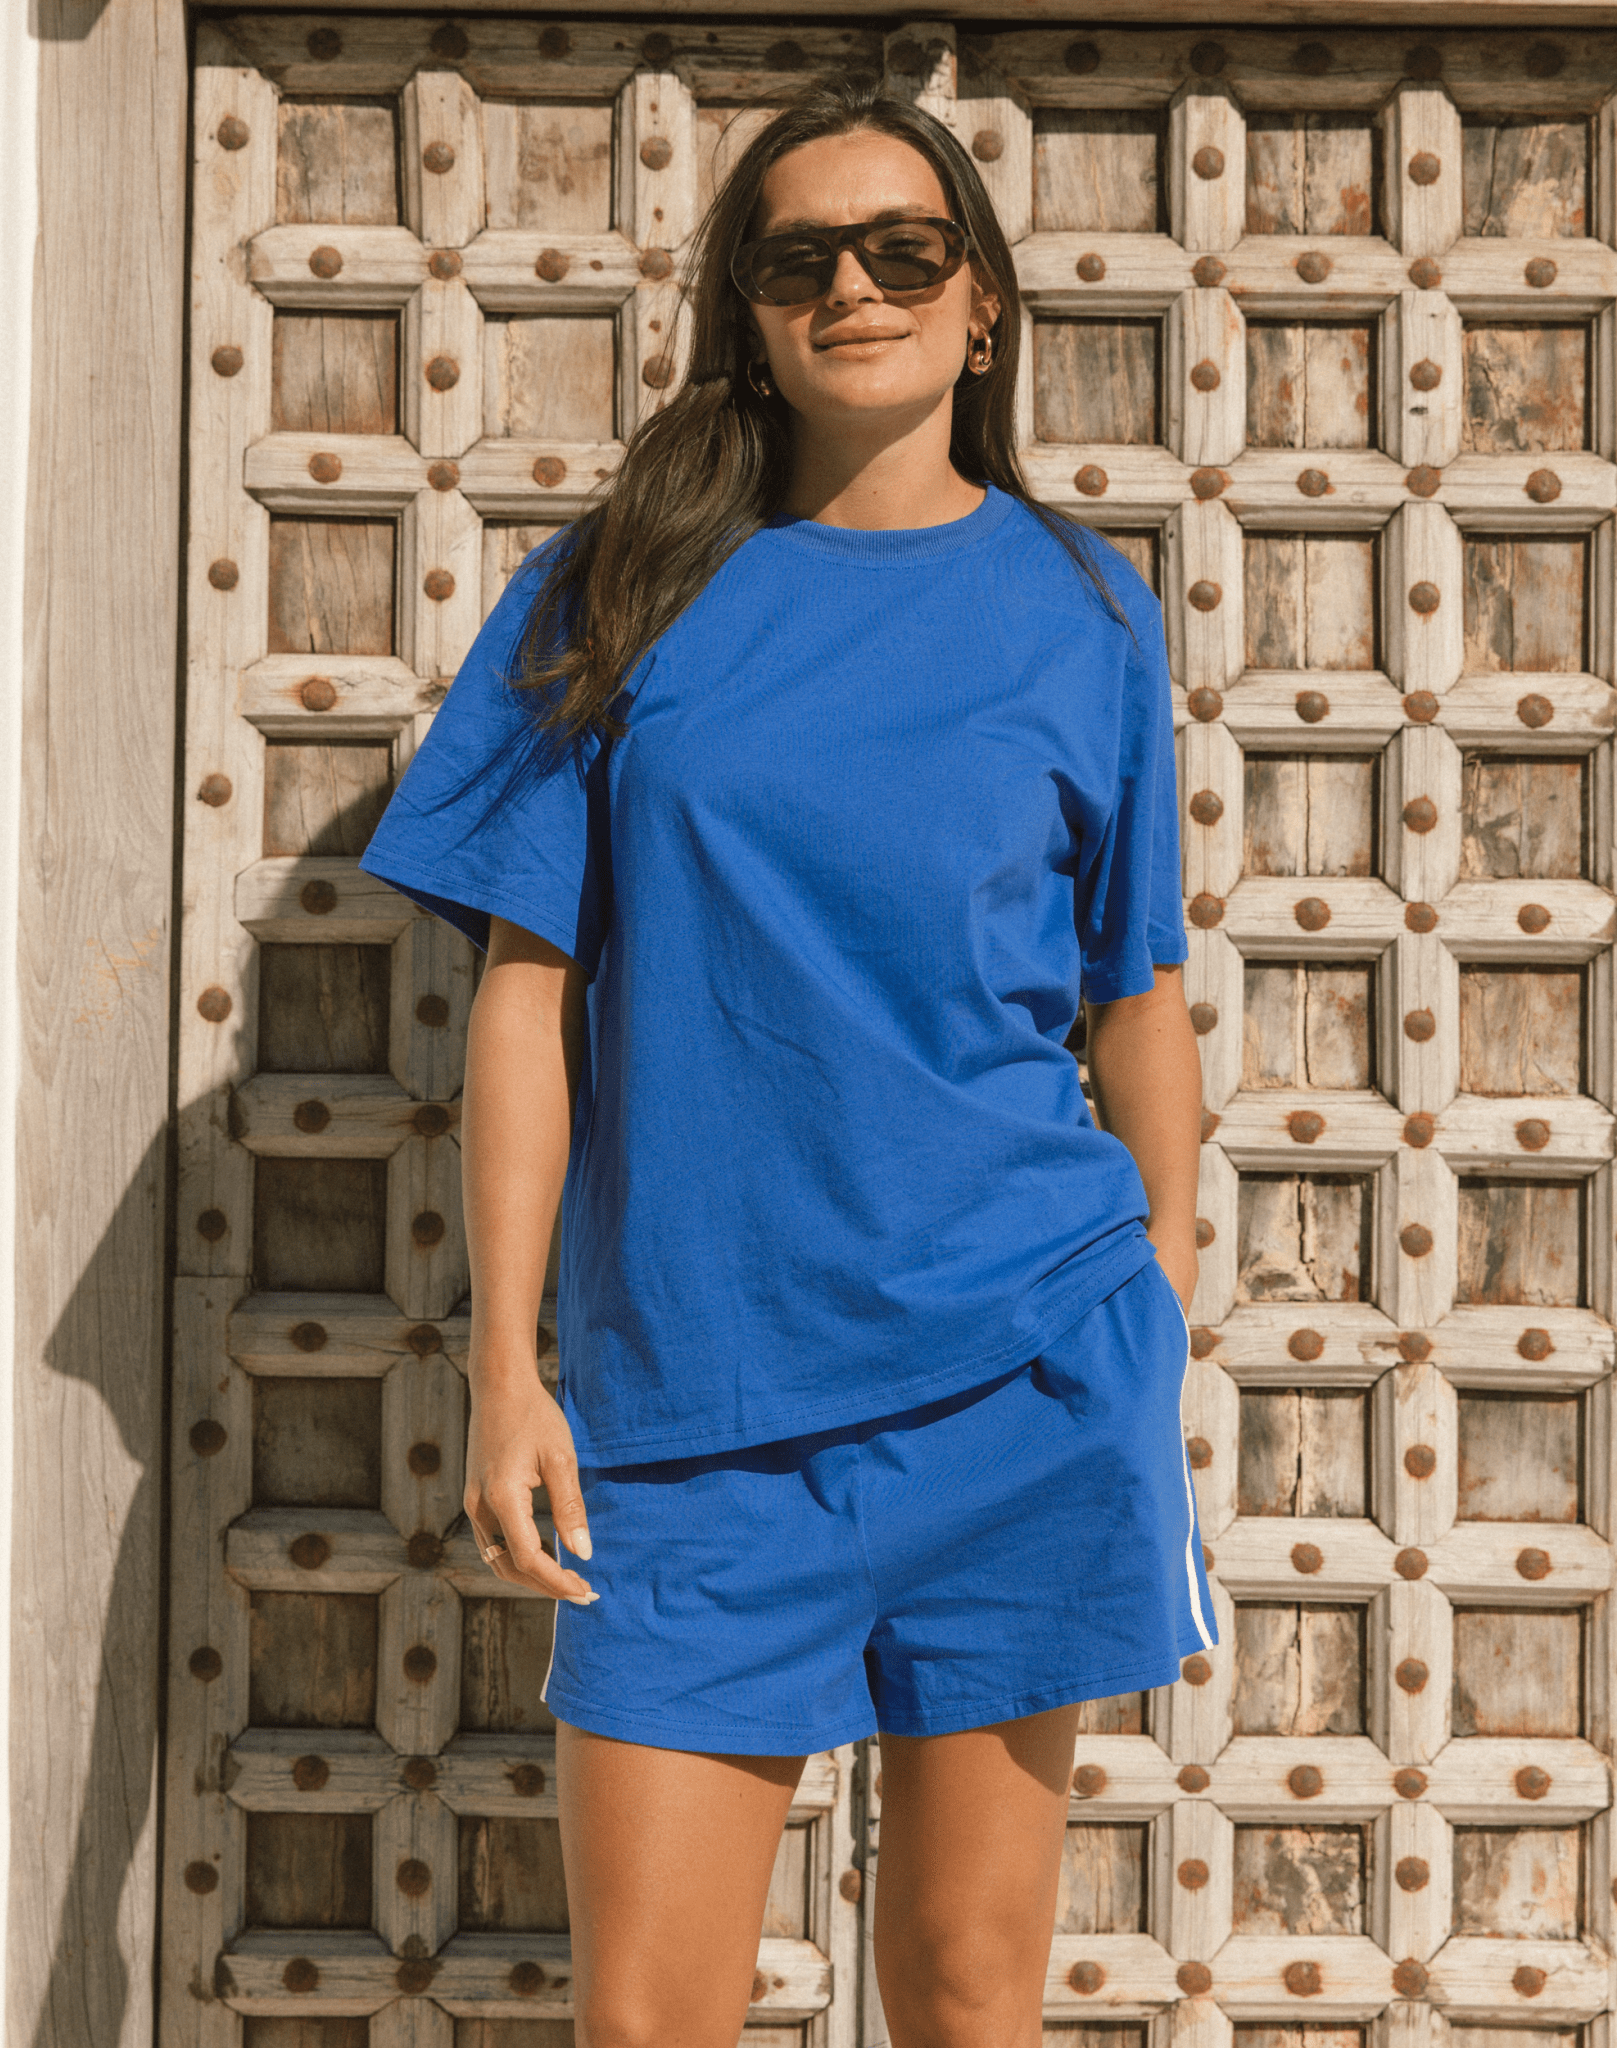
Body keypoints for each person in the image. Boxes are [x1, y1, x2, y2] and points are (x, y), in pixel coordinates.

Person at [359, 66, 1214, 2048]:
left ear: (980, 302)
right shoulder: (618, 586)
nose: (855, 288)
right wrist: (507, 1369)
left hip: (1026, 1383)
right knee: (649, 2013)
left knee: (967, 1994)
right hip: (697, 1413)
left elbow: (1136, 993)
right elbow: (524, 994)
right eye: (798, 257)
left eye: (906, 249)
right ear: (743, 311)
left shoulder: (1083, 611)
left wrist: (1160, 1295)